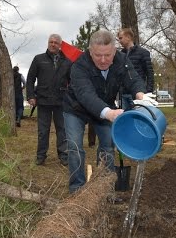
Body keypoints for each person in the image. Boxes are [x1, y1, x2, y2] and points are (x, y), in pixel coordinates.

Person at [63, 29, 147, 194]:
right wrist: (110, 114)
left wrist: (141, 96)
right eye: (97, 55)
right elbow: (86, 95)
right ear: (90, 51)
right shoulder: (79, 65)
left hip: (105, 106)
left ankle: (105, 187)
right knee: (74, 147)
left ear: (114, 51)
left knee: (108, 145)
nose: (102, 60)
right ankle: (76, 190)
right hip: (76, 108)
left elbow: (133, 79)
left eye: (107, 55)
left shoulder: (122, 60)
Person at [26, 34, 72, 166]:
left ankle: (63, 155)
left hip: (61, 101)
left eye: (55, 43)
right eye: (50, 42)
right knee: (43, 130)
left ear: (60, 45)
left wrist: (70, 98)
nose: (53, 44)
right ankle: (41, 156)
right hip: (43, 101)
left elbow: (72, 82)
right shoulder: (39, 59)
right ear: (48, 43)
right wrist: (30, 96)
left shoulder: (67, 62)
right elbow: (30, 79)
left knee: (62, 130)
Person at [117, 27, 154, 108]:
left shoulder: (143, 53)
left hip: (138, 94)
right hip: (123, 94)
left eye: (121, 38)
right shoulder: (120, 55)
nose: (119, 41)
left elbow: (150, 73)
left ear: (128, 37)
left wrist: (148, 91)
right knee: (125, 118)